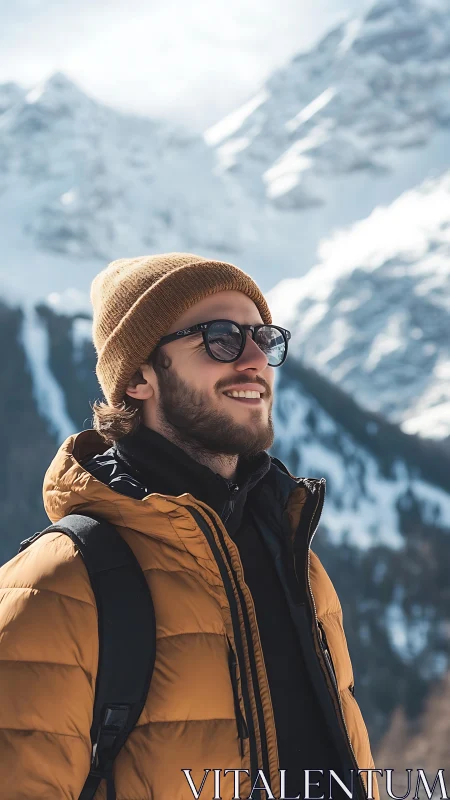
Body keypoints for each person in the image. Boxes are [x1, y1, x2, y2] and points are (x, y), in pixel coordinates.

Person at [0, 253, 379, 800]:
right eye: (220, 338)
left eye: (263, 337)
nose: (254, 359)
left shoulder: (296, 561)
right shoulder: (57, 585)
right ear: (137, 378)